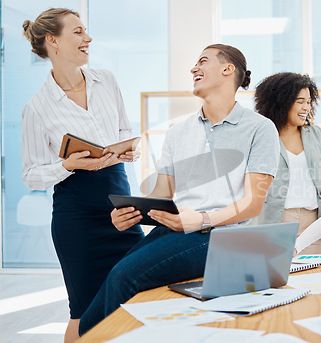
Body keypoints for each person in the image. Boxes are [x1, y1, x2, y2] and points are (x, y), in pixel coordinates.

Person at [76, 44, 280, 338]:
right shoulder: (177, 131)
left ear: (228, 69)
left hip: (220, 236)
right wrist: (133, 213)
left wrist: (202, 219)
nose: (193, 69)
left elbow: (252, 204)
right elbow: (162, 194)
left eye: (203, 62)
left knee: (123, 277)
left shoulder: (259, 129)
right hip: (173, 231)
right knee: (90, 320)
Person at [21, 8, 144, 342]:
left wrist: (130, 149)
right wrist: (68, 165)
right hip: (77, 217)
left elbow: (124, 131)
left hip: (121, 205)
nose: (87, 39)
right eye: (77, 32)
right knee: (85, 310)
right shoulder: (37, 107)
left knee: (137, 298)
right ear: (53, 41)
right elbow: (31, 175)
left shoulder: (107, 81)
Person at [251, 72, 321, 254]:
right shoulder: (262, 135)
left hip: (313, 226)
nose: (306, 108)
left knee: (311, 280)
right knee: (275, 281)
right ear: (281, 101)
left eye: (309, 102)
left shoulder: (317, 135)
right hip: (274, 223)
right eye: (300, 101)